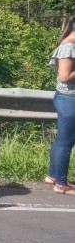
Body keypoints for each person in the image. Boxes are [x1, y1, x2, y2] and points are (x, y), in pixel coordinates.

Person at [47, 16, 75, 196]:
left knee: (62, 141)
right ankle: (62, 184)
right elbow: (65, 76)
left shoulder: (68, 44)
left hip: (66, 99)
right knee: (66, 143)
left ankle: (52, 176)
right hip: (69, 99)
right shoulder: (69, 46)